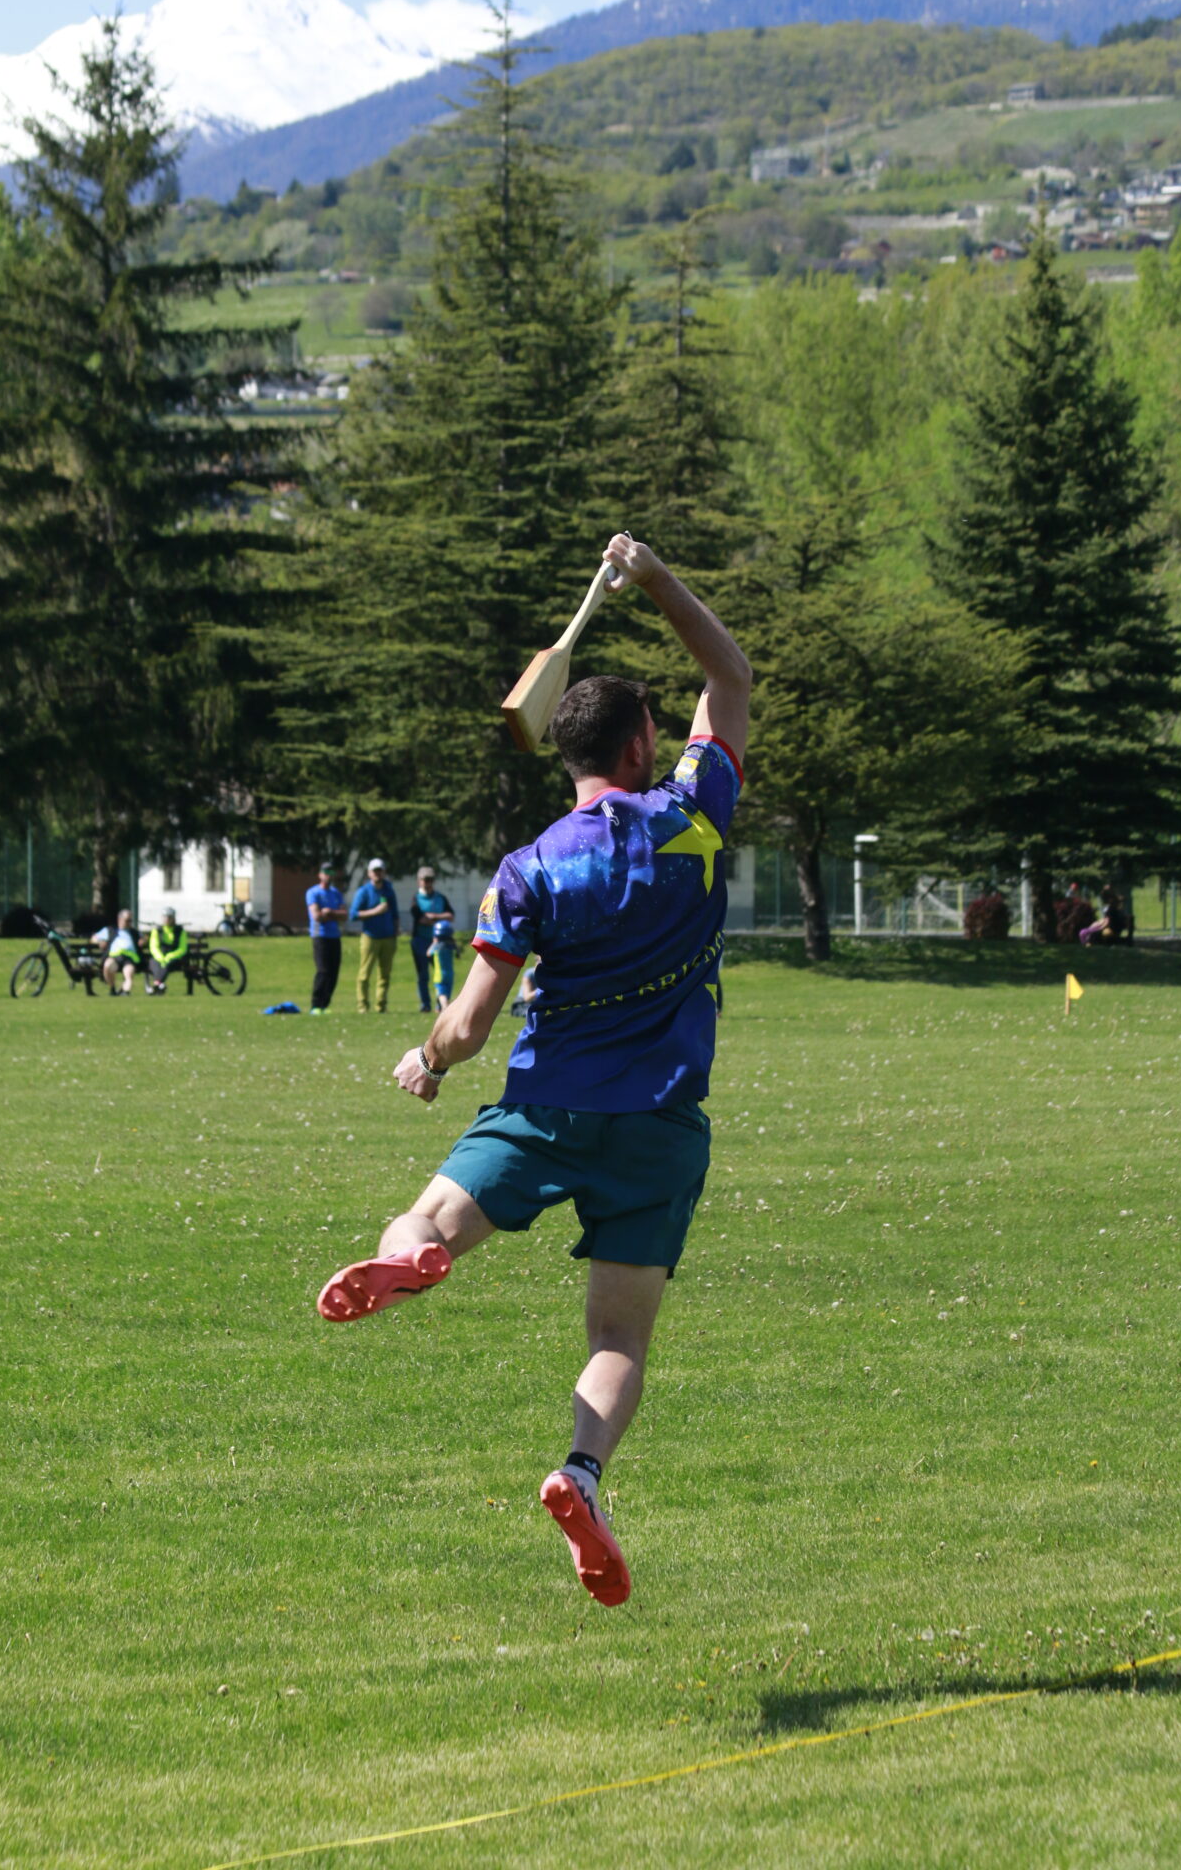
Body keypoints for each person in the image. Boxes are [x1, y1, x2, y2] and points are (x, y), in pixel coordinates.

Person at [317, 532, 751, 1610]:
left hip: (546, 1107)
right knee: (617, 1335)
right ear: (645, 744)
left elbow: (468, 1025)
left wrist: (426, 1059)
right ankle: (582, 1474)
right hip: (660, 1124)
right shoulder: (695, 815)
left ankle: (415, 1258)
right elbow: (730, 676)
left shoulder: (529, 868)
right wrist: (653, 578)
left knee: (424, 1218)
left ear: (568, 755)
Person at [351, 858, 400, 1013]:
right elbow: (353, 914)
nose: (378, 873)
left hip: (388, 937)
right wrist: (375, 911)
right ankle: (362, 1006)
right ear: (369, 873)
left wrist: (395, 931)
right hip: (370, 937)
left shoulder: (388, 889)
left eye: (380, 870)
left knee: (385, 974)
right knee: (364, 974)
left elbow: (395, 913)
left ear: (384, 872)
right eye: (375, 871)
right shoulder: (364, 891)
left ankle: (381, 1006)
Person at [410, 867, 455, 1014]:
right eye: (425, 880)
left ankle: (440, 1004)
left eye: (430, 880)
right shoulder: (416, 899)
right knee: (423, 975)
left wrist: (433, 917)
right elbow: (421, 919)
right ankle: (425, 1004)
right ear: (419, 881)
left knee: (441, 973)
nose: (427, 883)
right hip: (420, 940)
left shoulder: (441, 898)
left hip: (440, 942)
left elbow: (450, 916)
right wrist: (440, 918)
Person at [306, 862, 347, 1015]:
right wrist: (332, 914)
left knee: (334, 972)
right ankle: (315, 1005)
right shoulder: (313, 893)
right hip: (320, 936)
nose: (328, 875)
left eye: (331, 872)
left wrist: (329, 912)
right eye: (325, 872)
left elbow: (344, 915)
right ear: (320, 874)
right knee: (323, 971)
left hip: (334, 936)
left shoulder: (336, 893)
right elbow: (317, 916)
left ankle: (325, 1005)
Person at [92, 908, 142, 995]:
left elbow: (144, 938)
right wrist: (100, 941)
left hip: (130, 959)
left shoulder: (134, 932)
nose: (129, 923)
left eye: (130, 920)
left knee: (128, 975)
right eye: (127, 920)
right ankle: (112, 988)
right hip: (114, 957)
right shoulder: (110, 930)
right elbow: (94, 938)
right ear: (120, 919)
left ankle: (125, 992)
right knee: (107, 966)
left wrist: (143, 940)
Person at [145, 908, 189, 995]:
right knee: (154, 963)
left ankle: (157, 984)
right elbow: (154, 946)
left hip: (175, 958)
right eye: (165, 917)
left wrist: (169, 956)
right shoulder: (157, 930)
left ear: (173, 919)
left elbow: (182, 948)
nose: (167, 919)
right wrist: (160, 957)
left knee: (166, 964)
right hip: (159, 957)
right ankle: (159, 985)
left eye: (169, 917)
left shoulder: (180, 931)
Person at [427, 917, 458, 1012]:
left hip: (439, 974)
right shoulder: (451, 945)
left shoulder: (437, 946)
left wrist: (433, 943)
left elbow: (428, 954)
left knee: (441, 993)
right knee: (447, 993)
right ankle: (439, 1008)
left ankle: (445, 1008)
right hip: (450, 974)